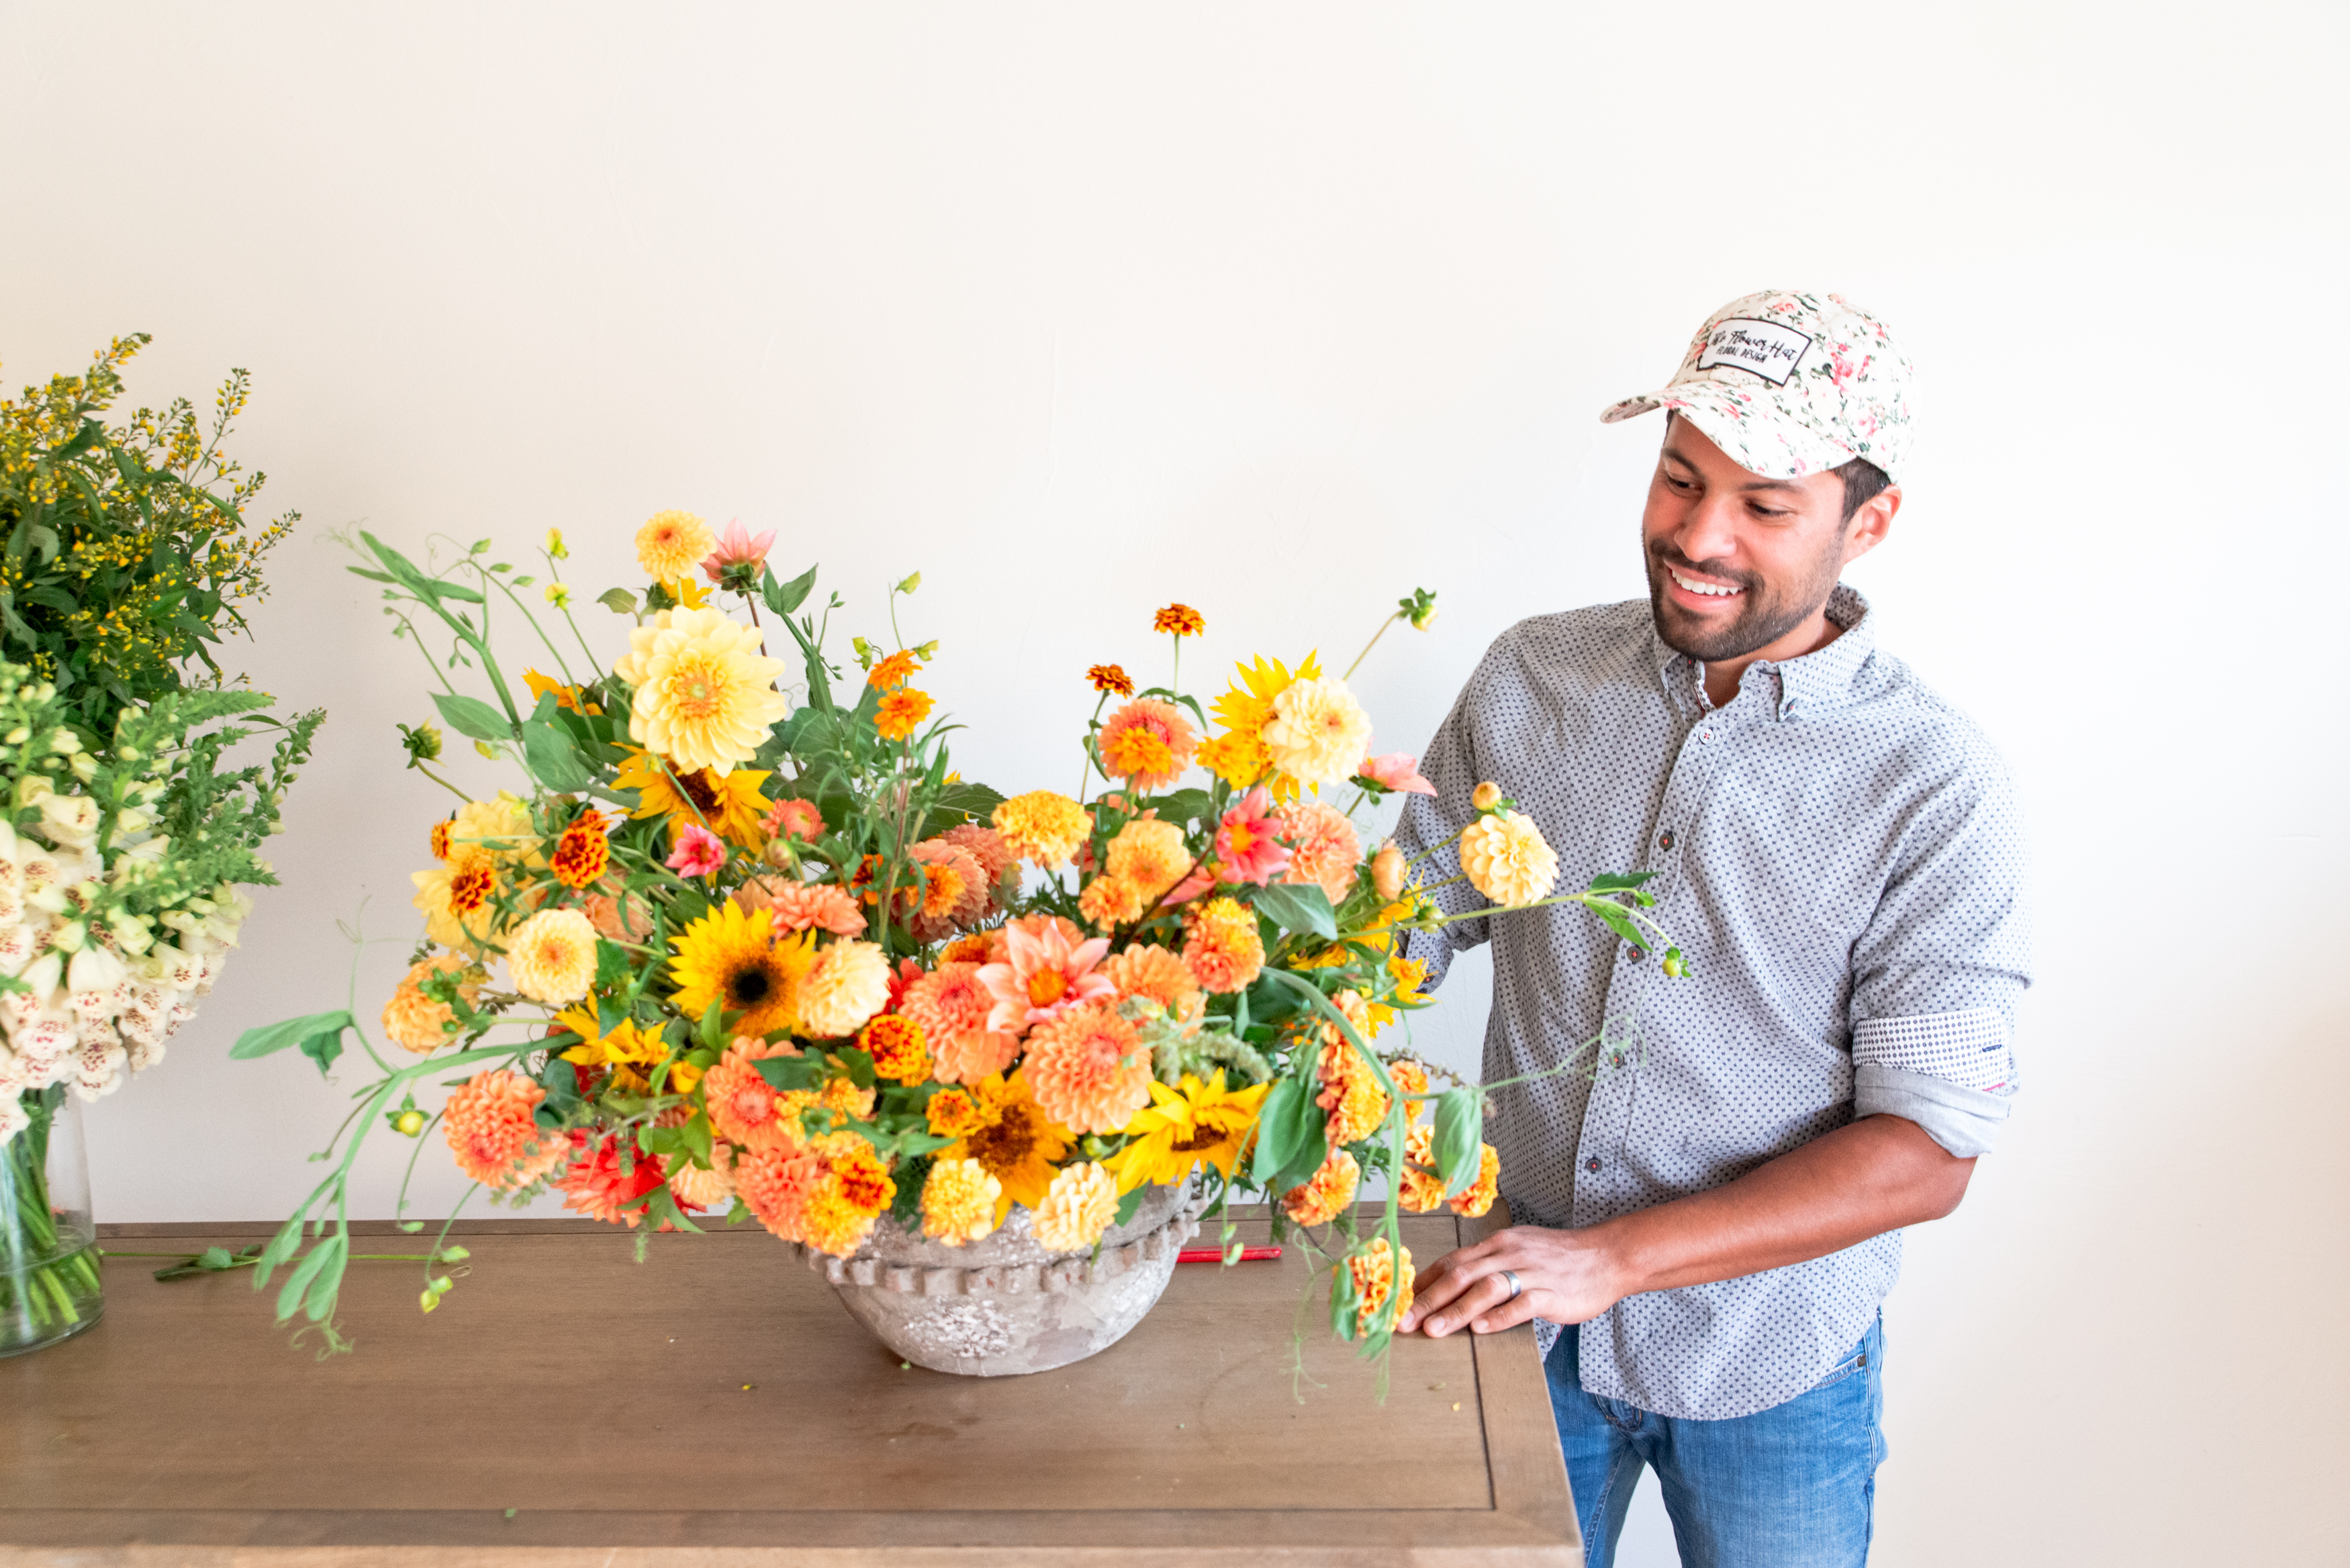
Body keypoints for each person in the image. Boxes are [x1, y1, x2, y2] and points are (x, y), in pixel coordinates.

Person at [1393, 290, 2029, 1568]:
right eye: (1680, 480)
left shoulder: (1933, 780)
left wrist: (1612, 1262)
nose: (1699, 535)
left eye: (1765, 506)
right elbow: (1395, 935)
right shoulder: (1533, 677)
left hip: (1777, 1361)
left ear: (1871, 522)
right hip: (1509, 1320)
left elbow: (1928, 1152)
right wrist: (1250, 910)